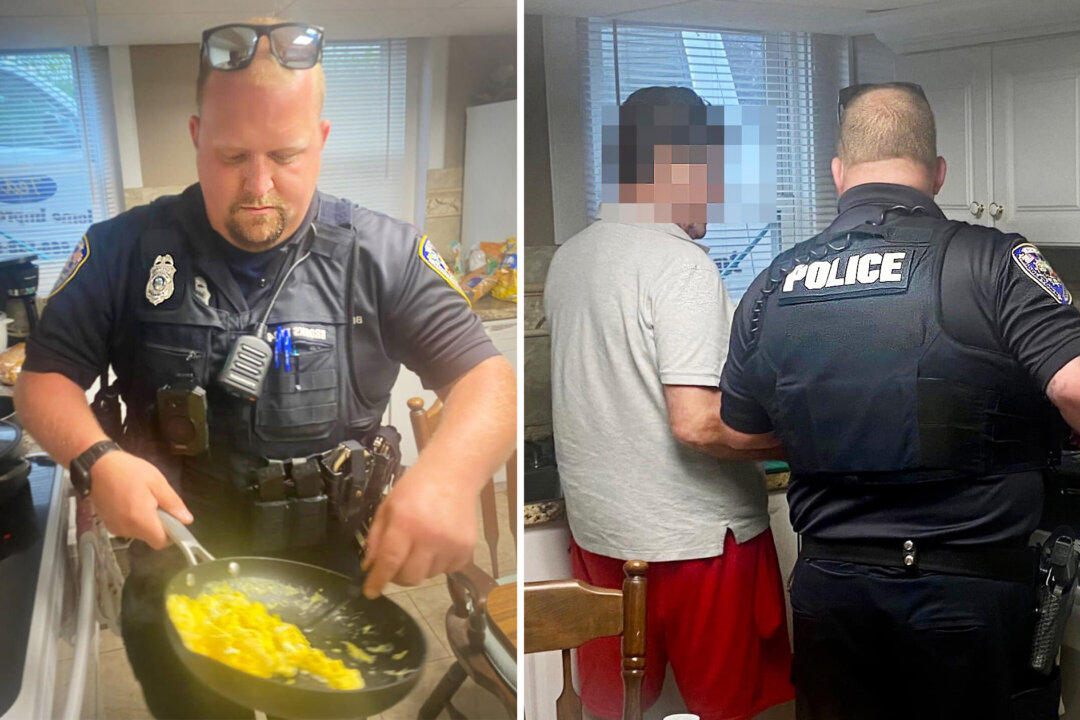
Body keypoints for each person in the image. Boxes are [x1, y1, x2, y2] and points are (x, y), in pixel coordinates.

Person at [15, 18, 515, 719]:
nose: (258, 184)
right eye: (231, 156)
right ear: (196, 137)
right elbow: (43, 380)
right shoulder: (124, 250)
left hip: (330, 578)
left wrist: (452, 476)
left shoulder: (385, 254)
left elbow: (488, 380)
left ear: (322, 140)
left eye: (286, 154)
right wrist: (97, 459)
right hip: (176, 566)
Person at [718, 82, 1080, 720]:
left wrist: (847, 425)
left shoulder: (772, 283)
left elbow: (741, 430)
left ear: (838, 173)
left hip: (831, 594)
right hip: (966, 593)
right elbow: (1073, 386)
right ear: (938, 172)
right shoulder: (995, 262)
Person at [544, 85, 793, 720]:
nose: (715, 190)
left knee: (618, 709)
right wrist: (799, 443)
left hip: (602, 539)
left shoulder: (571, 257)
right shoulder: (681, 266)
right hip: (699, 542)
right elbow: (698, 423)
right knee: (726, 710)